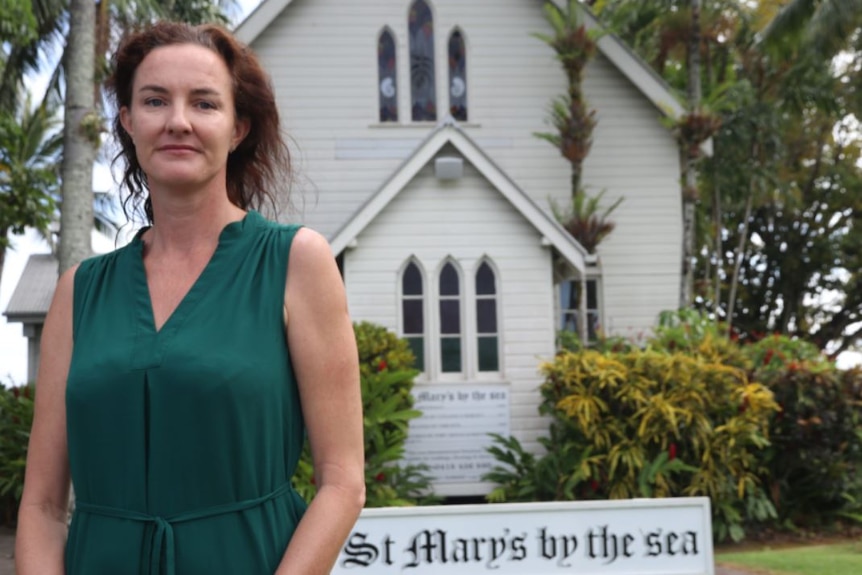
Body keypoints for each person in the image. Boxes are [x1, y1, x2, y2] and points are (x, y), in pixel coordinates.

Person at [15, 21, 365, 575]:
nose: (178, 121)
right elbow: (41, 505)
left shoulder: (296, 262)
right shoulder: (78, 291)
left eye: (204, 103)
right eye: (155, 101)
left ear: (238, 126)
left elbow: (343, 482)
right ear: (128, 122)